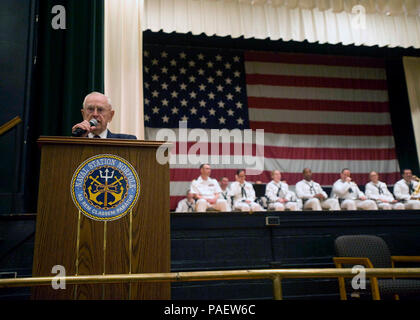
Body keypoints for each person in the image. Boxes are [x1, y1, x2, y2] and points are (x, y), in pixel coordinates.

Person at [71, 92, 137, 139]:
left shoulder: (126, 141)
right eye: (90, 109)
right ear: (83, 114)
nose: (95, 114)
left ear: (110, 115)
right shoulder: (75, 139)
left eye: (100, 109)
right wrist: (78, 140)